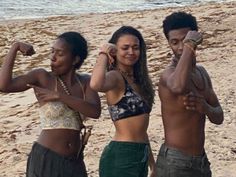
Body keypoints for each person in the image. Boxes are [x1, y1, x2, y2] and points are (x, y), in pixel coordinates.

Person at [0, 31, 101, 177]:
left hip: (75, 161)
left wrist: (59, 96)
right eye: (52, 51)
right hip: (46, 159)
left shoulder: (85, 82)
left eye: (59, 53)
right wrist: (14, 48)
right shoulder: (43, 77)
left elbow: (95, 111)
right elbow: (4, 85)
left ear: (75, 59)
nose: (52, 58)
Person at [156, 11, 224, 177]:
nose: (180, 47)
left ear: (196, 36)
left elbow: (219, 117)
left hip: (200, 161)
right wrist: (189, 45)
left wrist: (205, 108)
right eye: (174, 42)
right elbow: (178, 86)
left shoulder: (201, 73)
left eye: (185, 40)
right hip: (175, 162)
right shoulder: (168, 75)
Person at [90, 26, 157, 177]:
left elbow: (142, 131)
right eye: (125, 48)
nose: (131, 52)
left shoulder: (139, 81)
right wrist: (103, 53)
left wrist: (152, 164)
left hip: (141, 155)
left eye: (135, 47)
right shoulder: (115, 77)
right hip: (121, 155)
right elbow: (95, 84)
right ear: (115, 51)